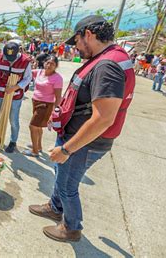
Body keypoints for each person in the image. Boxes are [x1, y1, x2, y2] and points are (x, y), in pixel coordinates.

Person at [29, 15, 135, 242]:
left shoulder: (107, 66)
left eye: (76, 41)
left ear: (88, 34)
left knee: (67, 185)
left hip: (84, 143)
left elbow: (103, 118)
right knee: (60, 176)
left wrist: (66, 150)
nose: (75, 47)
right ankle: (55, 207)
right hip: (76, 136)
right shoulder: (107, 58)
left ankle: (71, 227)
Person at [0, 41, 32, 153]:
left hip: (15, 95)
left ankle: (13, 141)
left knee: (13, 119)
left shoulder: (25, 61)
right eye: (7, 57)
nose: (9, 61)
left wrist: (15, 87)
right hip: (1, 93)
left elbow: (28, 78)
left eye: (11, 58)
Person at [23, 56, 63, 157]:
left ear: (56, 66)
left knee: (32, 126)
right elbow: (26, 71)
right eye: (48, 62)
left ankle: (35, 151)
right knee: (38, 127)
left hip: (46, 105)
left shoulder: (57, 78)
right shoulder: (39, 72)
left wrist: (54, 112)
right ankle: (38, 146)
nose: (49, 65)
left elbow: (58, 98)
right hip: (35, 102)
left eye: (52, 64)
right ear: (44, 63)